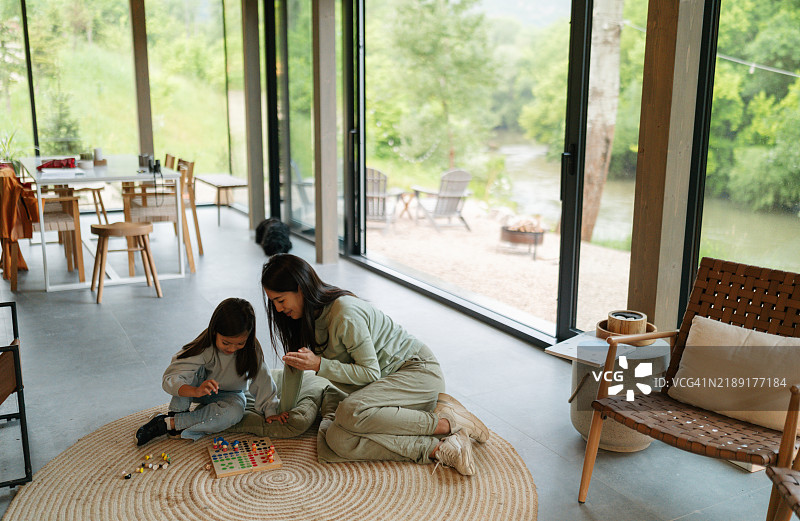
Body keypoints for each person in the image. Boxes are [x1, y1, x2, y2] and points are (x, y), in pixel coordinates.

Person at [260, 253, 490, 475]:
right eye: (274, 303)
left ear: (300, 288)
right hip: (384, 389)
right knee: (337, 438)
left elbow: (370, 373)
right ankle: (437, 449)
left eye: (281, 300)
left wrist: (320, 364)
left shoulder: (344, 314)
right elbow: (294, 365)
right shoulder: (301, 318)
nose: (279, 309)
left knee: (349, 411)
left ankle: (446, 423)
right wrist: (285, 411)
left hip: (416, 372)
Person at [135, 298, 283, 446]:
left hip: (231, 394)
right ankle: (177, 414)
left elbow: (263, 380)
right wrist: (195, 390)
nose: (231, 349)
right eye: (225, 343)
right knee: (187, 375)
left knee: (235, 412)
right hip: (200, 389)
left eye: (240, 343)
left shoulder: (252, 350)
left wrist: (271, 411)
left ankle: (168, 423)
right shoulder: (205, 347)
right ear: (214, 332)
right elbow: (171, 377)